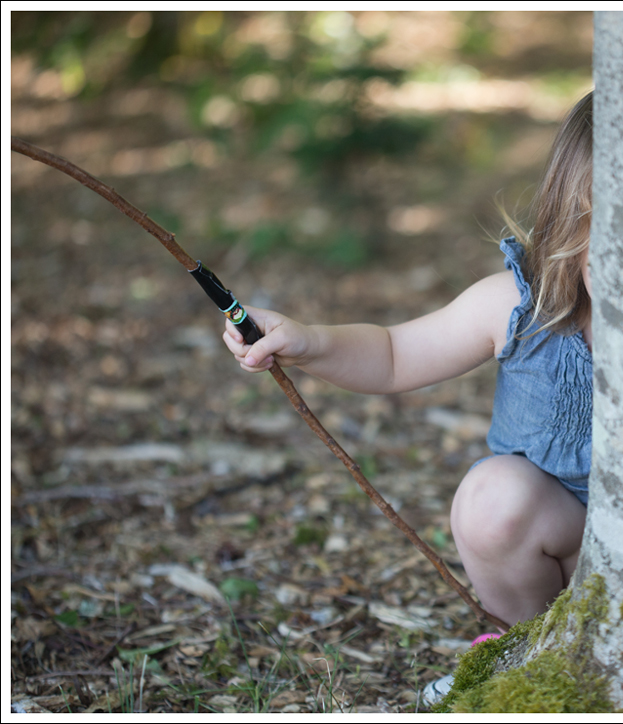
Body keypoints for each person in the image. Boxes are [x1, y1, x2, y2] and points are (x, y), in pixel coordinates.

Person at [223, 90, 593, 698]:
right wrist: (308, 340)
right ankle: (532, 662)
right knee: (493, 499)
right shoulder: (518, 307)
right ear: (570, 225)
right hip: (572, 549)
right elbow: (396, 355)